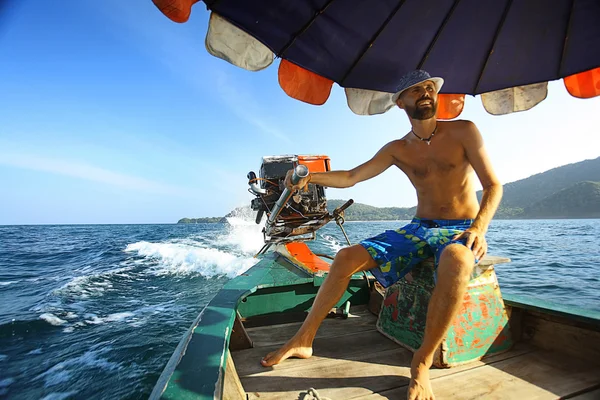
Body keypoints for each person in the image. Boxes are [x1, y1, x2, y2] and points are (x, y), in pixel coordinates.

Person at [261, 70, 503, 400]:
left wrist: (478, 227)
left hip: (461, 227)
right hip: (419, 227)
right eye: (416, 89)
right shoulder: (397, 148)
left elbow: (493, 185)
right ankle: (303, 339)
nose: (426, 92)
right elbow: (352, 176)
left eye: (430, 88)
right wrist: (311, 178)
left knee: (458, 258)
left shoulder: (464, 131)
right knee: (345, 257)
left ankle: (421, 362)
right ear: (400, 101)